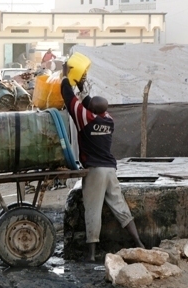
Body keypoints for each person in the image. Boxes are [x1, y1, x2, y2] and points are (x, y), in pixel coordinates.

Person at [60, 62, 145, 262]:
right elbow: (90, 102)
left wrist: (65, 76)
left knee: (93, 209)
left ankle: (91, 254)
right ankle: (139, 242)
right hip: (110, 170)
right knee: (120, 205)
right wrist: (82, 86)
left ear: (90, 109)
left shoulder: (85, 119)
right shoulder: (108, 120)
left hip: (95, 171)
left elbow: (68, 97)